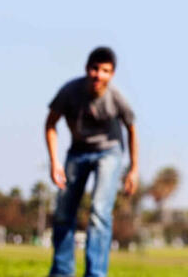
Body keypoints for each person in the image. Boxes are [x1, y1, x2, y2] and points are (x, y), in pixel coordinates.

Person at [45, 47, 138, 277]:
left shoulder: (116, 97)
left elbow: (131, 129)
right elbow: (50, 125)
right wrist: (55, 161)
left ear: (112, 74)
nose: (99, 75)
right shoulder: (70, 92)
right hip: (77, 151)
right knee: (64, 211)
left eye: (105, 71)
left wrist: (133, 169)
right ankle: (62, 271)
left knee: (99, 211)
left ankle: (96, 273)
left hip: (109, 152)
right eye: (95, 69)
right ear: (87, 69)